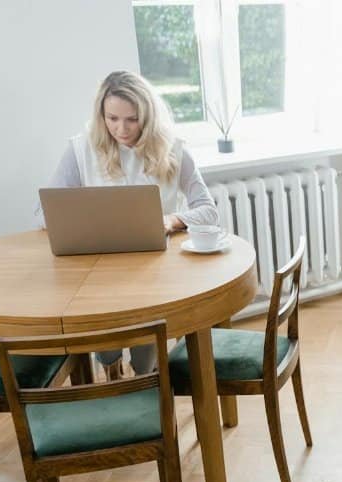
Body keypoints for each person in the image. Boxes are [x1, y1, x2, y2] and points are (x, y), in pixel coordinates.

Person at [46, 70, 219, 379]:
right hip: (98, 272)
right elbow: (45, 213)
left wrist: (171, 220)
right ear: (101, 115)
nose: (121, 129)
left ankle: (146, 380)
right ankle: (113, 374)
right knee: (105, 329)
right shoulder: (80, 149)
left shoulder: (173, 149)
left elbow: (208, 210)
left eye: (132, 120)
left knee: (147, 337)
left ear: (147, 117)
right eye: (112, 118)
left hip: (155, 271)